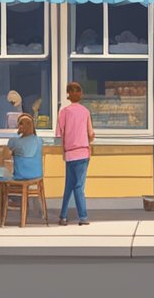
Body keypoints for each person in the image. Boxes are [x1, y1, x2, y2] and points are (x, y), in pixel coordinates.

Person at [56, 82, 94, 226]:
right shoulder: (85, 112)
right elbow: (90, 134)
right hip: (83, 153)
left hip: (70, 154)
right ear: (80, 94)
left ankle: (63, 216)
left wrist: (64, 151)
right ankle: (83, 217)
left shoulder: (64, 112)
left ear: (68, 95)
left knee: (69, 186)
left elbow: (60, 134)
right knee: (79, 186)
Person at [4, 114, 43, 180]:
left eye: (20, 124)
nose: (18, 126)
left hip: (20, 177)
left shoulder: (14, 141)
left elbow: (5, 155)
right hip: (37, 176)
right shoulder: (39, 140)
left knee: (3, 178)